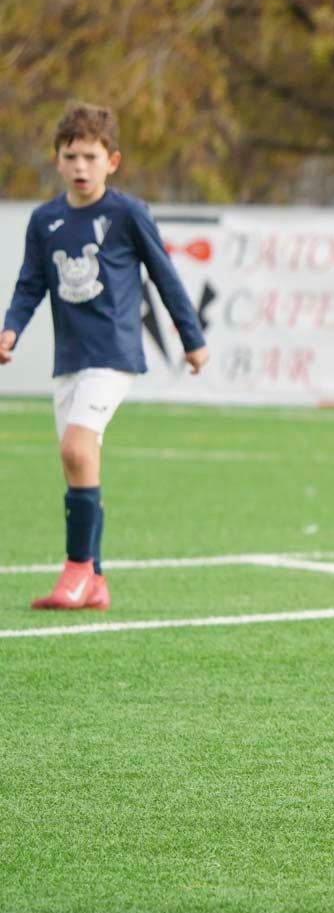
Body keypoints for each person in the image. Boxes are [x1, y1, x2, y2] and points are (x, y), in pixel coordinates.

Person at [1, 101, 208, 610]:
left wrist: (191, 336)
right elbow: (31, 285)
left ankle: (73, 573)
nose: (80, 167)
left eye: (91, 157)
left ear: (111, 161)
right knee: (80, 463)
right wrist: (10, 328)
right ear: (57, 160)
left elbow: (164, 275)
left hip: (114, 354)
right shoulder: (45, 220)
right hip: (69, 359)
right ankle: (95, 580)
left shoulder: (126, 214)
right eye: (71, 156)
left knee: (76, 449)